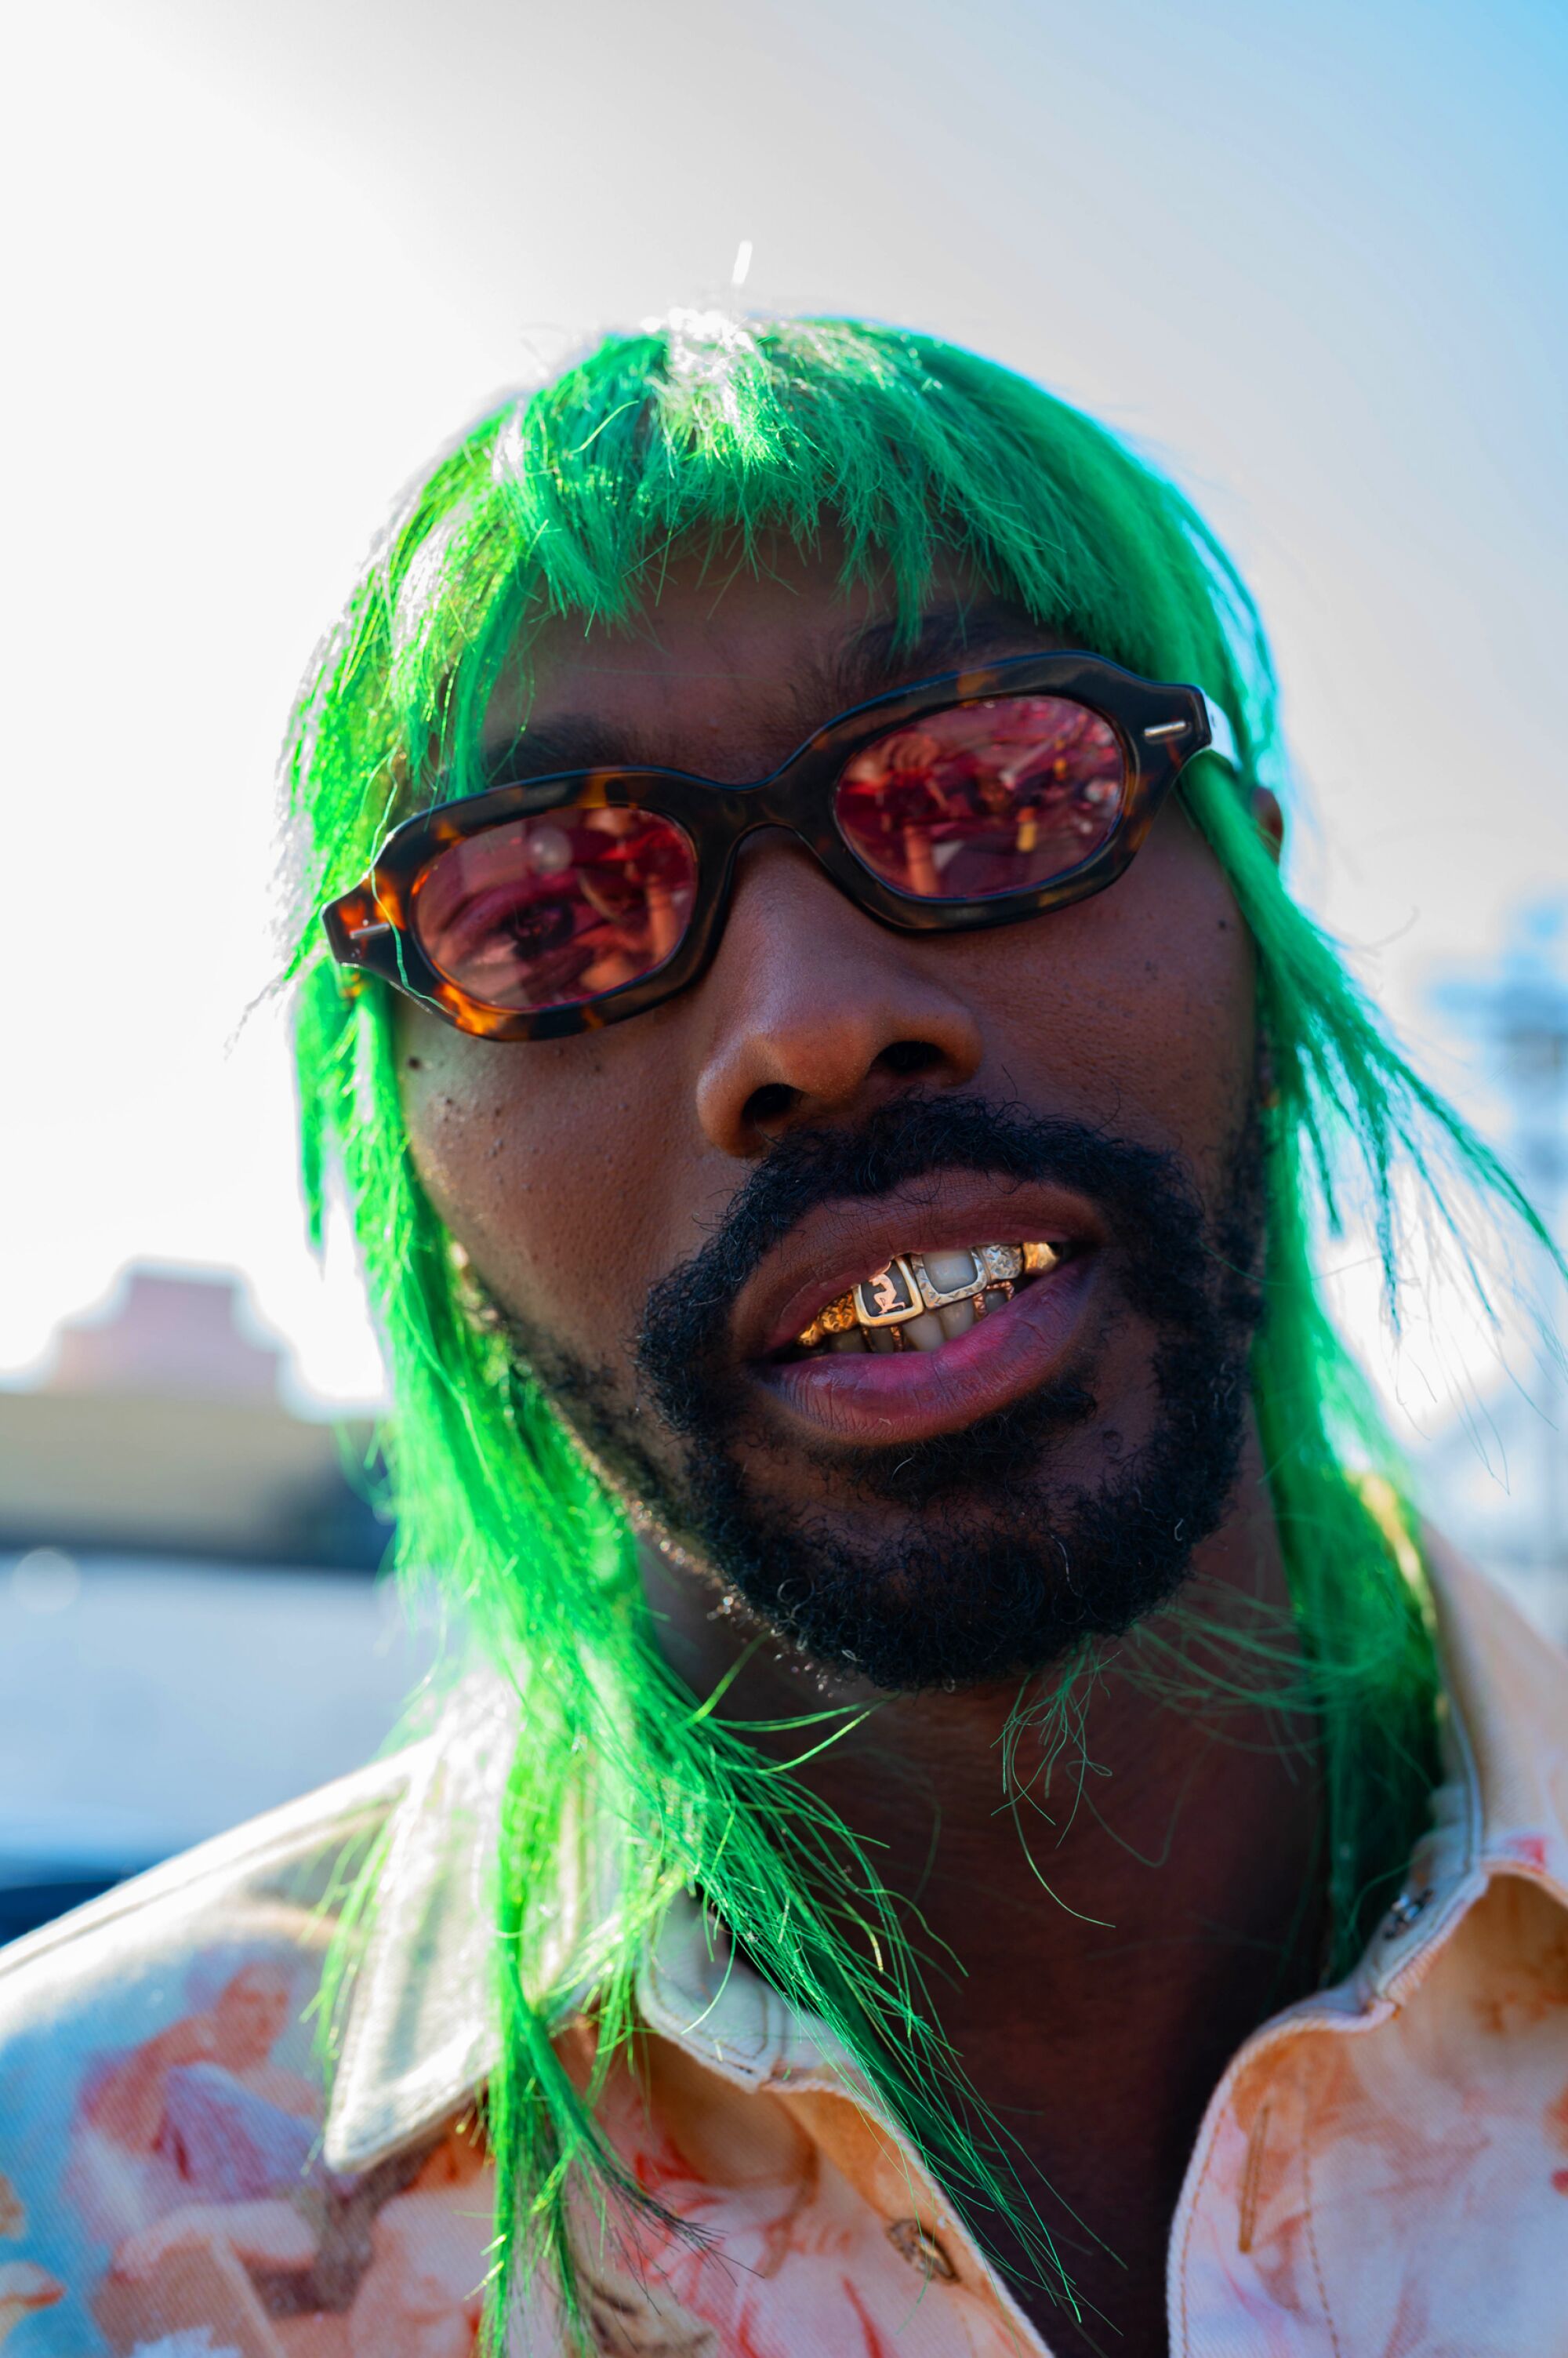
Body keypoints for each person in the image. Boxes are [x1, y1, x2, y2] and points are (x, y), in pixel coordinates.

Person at [2, 312, 1564, 2358]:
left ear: (1257, 930)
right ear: (421, 1185)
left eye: (997, 789)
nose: (813, 1029)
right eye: (545, 912)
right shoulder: (74, 2220)